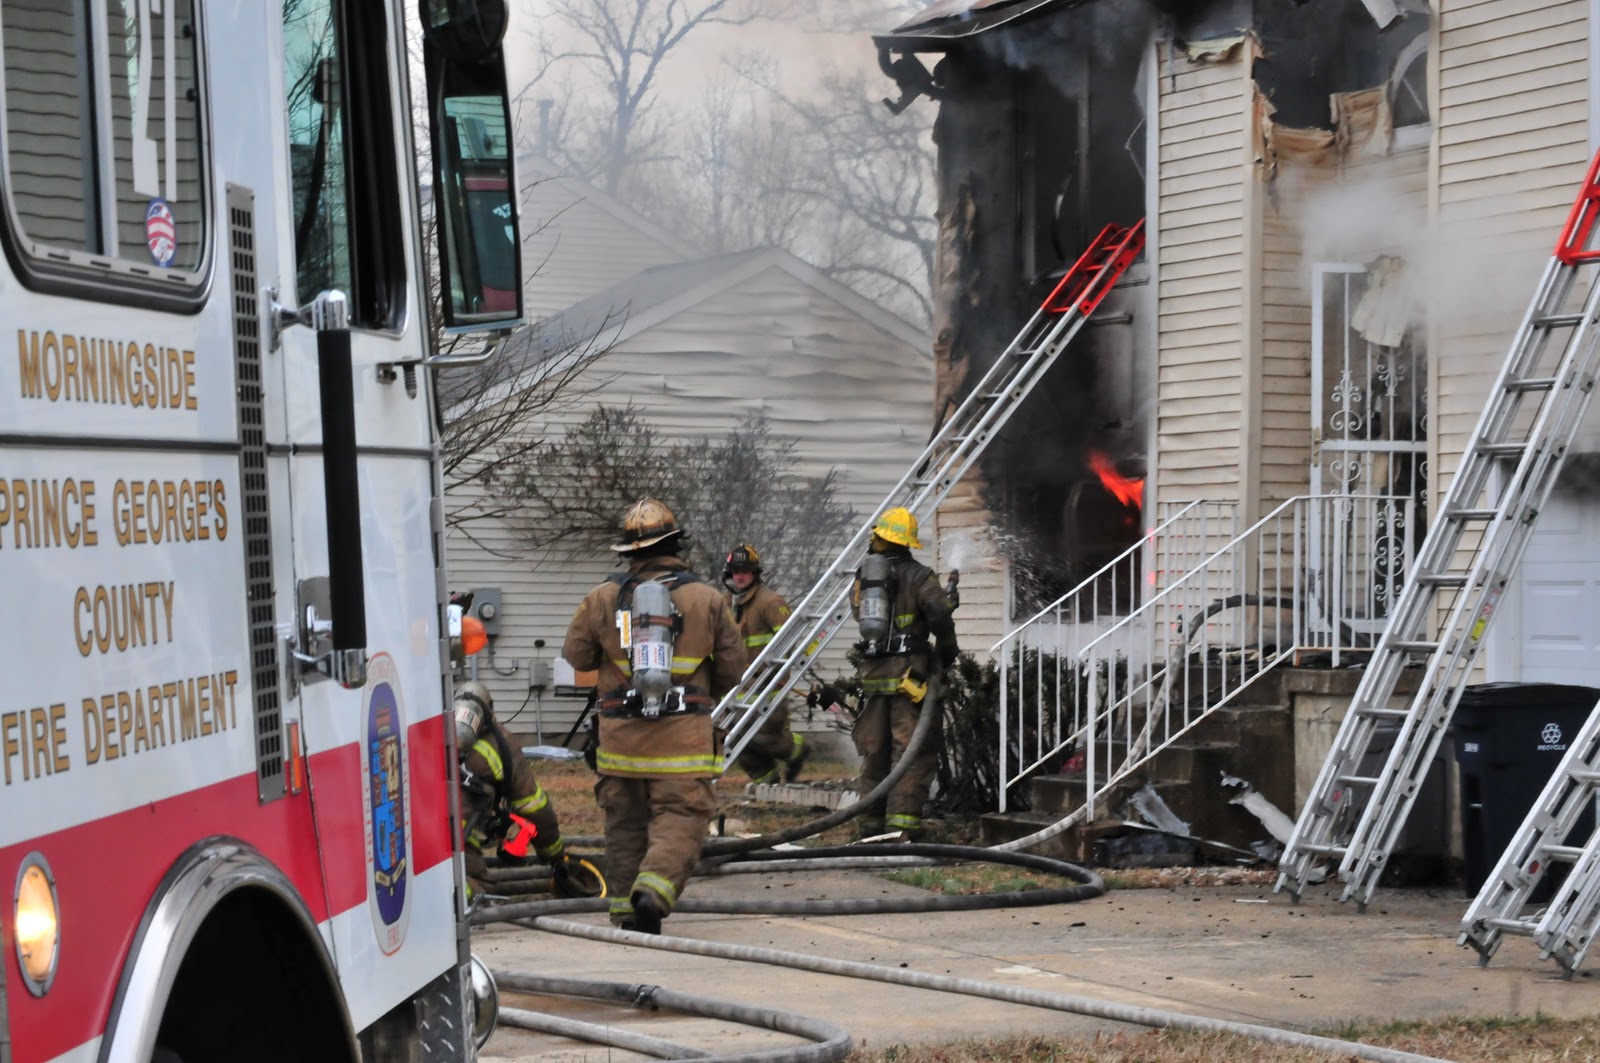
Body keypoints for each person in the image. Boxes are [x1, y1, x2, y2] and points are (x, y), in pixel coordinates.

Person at [562, 498, 747, 934]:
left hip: (620, 742)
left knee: (624, 824)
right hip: (682, 741)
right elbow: (733, 671)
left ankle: (628, 914)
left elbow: (577, 658)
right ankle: (653, 893)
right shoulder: (708, 599)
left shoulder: (601, 597)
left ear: (628, 552)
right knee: (680, 816)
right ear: (675, 545)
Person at [850, 507, 958, 842]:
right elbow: (938, 616)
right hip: (910, 677)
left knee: (875, 750)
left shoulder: (865, 579)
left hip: (873, 675)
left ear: (879, 538)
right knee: (912, 751)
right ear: (906, 542)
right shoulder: (920, 575)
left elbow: (860, 613)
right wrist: (947, 645)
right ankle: (901, 829)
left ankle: (869, 825)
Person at [453, 681, 595, 904]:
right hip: (455, 835)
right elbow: (534, 807)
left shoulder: (432, 728)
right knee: (477, 886)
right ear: (490, 711)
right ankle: (452, 900)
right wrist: (556, 858)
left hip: (413, 829)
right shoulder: (502, 743)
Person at [722, 542, 810, 785]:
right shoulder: (725, 603)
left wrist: (777, 675)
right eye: (735, 571)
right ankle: (767, 785)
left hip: (766, 685)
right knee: (735, 740)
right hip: (736, 686)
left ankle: (797, 750)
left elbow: (789, 639)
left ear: (755, 573)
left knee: (765, 737)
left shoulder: (770, 601)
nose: (739, 576)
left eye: (745, 570)